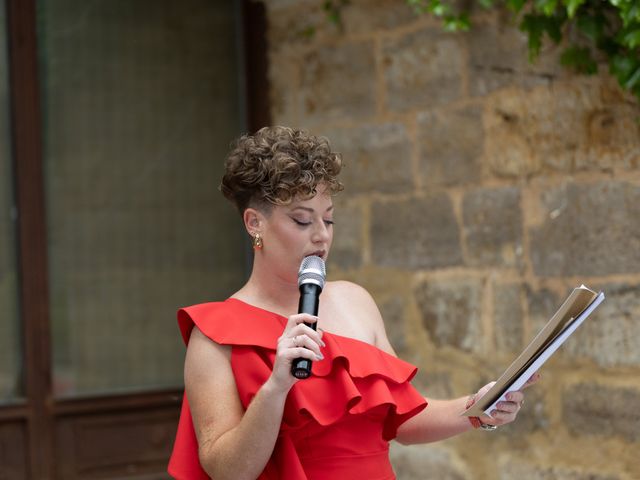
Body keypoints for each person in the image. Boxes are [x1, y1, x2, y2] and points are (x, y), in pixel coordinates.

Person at [167, 126, 538, 480]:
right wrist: (276, 387)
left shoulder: (355, 301)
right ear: (254, 223)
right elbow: (228, 471)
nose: (320, 236)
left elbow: (403, 421)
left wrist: (478, 407)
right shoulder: (214, 337)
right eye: (301, 220)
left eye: (328, 220)